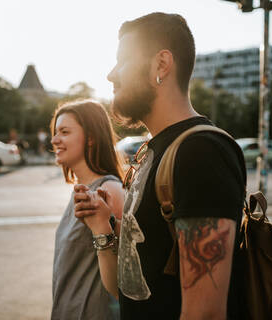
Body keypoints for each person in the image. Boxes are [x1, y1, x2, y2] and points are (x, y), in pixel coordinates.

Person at [74, 13, 246, 319]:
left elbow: (204, 313)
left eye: (122, 61)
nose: (111, 74)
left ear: (161, 65)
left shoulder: (201, 152)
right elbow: (127, 291)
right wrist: (101, 226)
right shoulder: (150, 153)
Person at [50, 99, 125, 320]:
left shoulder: (110, 190)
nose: (54, 140)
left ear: (91, 138)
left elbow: (127, 275)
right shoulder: (80, 191)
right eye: (55, 132)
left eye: (64, 132)